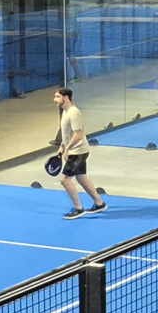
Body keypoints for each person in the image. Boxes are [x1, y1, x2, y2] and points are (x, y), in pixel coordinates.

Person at [51, 86, 107, 218]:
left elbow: (79, 135)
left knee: (65, 180)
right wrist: (62, 146)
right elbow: (67, 133)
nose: (54, 99)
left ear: (66, 98)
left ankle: (78, 208)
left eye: (57, 97)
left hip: (78, 152)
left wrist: (68, 149)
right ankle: (99, 203)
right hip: (76, 150)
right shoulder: (65, 111)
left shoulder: (74, 113)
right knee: (81, 177)